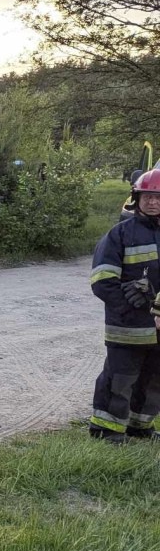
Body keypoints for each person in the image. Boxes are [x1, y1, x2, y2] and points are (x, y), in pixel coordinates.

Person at [89, 169, 160, 443]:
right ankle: (105, 430)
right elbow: (101, 280)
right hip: (127, 328)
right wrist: (127, 301)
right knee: (119, 380)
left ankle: (140, 428)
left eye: (157, 197)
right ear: (136, 198)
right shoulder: (119, 234)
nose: (152, 202)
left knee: (153, 382)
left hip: (157, 330)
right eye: (147, 197)